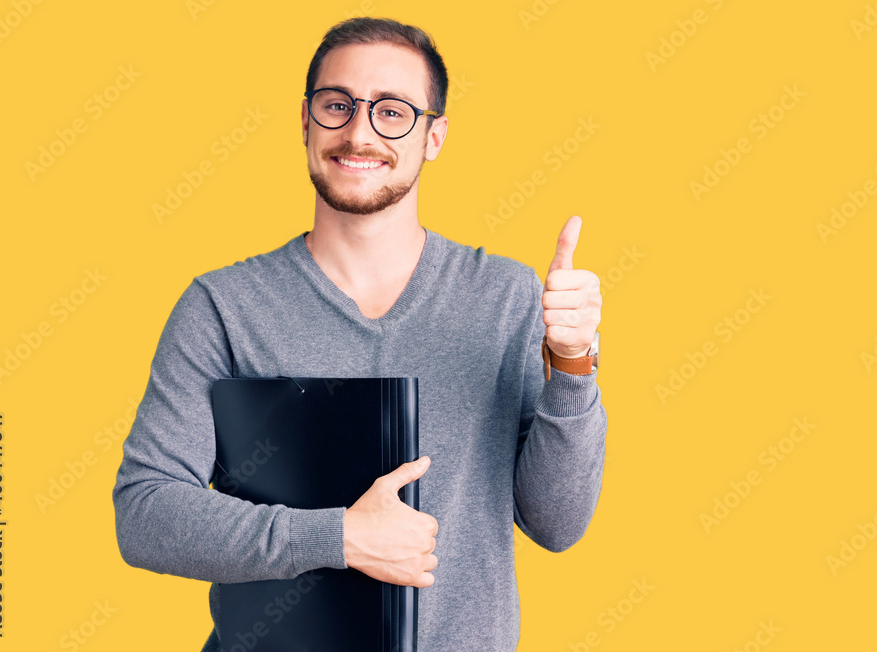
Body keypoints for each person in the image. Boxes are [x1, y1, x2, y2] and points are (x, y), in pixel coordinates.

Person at [112, 16, 607, 651]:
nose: (358, 132)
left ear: (434, 136)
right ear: (305, 120)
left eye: (393, 111)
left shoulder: (505, 298)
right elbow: (146, 516)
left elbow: (558, 524)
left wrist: (572, 363)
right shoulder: (222, 307)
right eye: (337, 104)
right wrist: (339, 537)